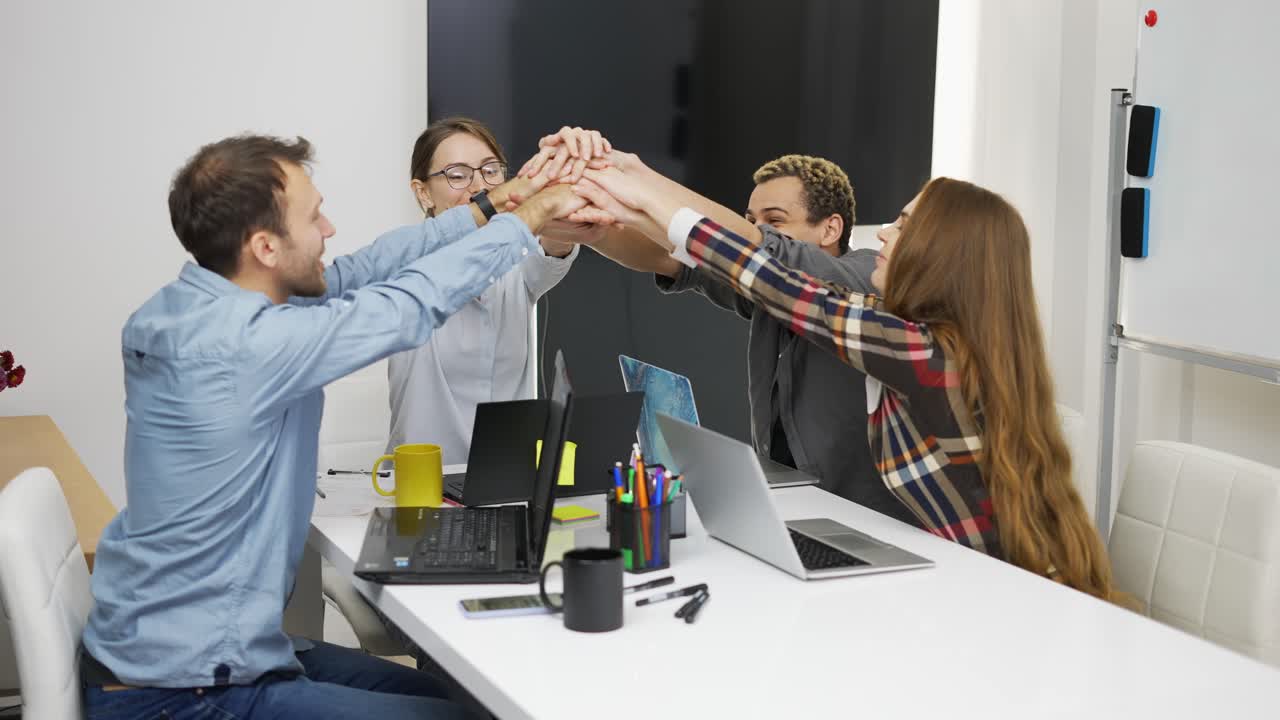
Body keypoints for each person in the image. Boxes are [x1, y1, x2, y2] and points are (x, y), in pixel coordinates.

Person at [79, 131, 603, 718]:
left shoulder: (202, 307)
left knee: (467, 698)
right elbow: (408, 304)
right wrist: (529, 216)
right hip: (186, 691)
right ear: (265, 248)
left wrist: (499, 201)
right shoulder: (245, 345)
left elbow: (369, 265)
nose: (329, 230)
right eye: (314, 217)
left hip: (195, 655)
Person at [565, 154, 1122, 602]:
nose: (884, 236)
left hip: (993, 599)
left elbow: (781, 285)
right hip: (949, 580)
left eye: (903, 226)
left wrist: (635, 181)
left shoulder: (925, 352)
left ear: (945, 256)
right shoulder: (927, 336)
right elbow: (754, 280)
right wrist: (619, 211)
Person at [551, 151, 920, 524]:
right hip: (797, 510)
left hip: (870, 523)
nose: (760, 228)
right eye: (751, 220)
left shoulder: (860, 280)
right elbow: (668, 257)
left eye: (775, 221)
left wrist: (634, 179)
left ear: (830, 229)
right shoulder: (770, 299)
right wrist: (580, 224)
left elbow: (754, 249)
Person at [387, 118, 589, 464]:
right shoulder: (399, 266)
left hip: (505, 480)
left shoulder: (517, 259)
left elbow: (555, 240)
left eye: (491, 171)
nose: (479, 187)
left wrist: (564, 177)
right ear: (423, 192)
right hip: (420, 485)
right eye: (457, 174)